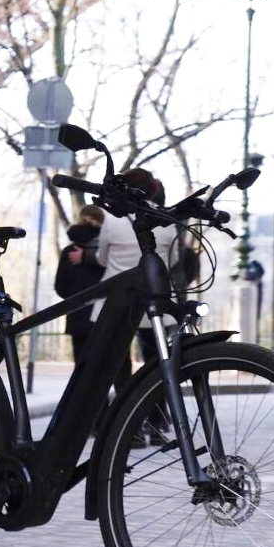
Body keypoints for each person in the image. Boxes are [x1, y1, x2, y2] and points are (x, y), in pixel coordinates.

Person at [90, 168, 179, 444]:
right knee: (159, 364)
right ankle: (155, 424)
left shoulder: (112, 220)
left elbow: (102, 258)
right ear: (153, 191)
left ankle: (128, 429)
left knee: (118, 367)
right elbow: (172, 261)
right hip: (155, 301)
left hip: (116, 301)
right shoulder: (166, 221)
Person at [54, 205, 106, 363]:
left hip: (78, 315)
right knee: (110, 363)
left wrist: (75, 297)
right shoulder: (108, 246)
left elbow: (60, 286)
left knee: (82, 366)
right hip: (106, 315)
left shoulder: (69, 251)